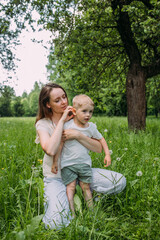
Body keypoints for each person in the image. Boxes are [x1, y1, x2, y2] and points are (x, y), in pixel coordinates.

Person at [35, 82, 126, 230]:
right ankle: (61, 200)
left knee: (119, 181)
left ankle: (90, 194)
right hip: (56, 178)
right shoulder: (43, 124)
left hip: (81, 170)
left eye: (64, 97)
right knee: (56, 224)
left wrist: (78, 135)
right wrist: (63, 120)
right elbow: (50, 150)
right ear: (48, 104)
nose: (64, 102)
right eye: (57, 100)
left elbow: (97, 148)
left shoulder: (79, 117)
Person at [51, 94, 111, 216]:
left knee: (86, 187)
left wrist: (107, 154)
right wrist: (55, 162)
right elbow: (60, 145)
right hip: (68, 163)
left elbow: (101, 139)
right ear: (74, 111)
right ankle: (72, 212)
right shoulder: (67, 126)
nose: (88, 115)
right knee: (71, 187)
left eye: (90, 112)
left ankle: (92, 213)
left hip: (84, 163)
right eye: (84, 111)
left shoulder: (91, 127)